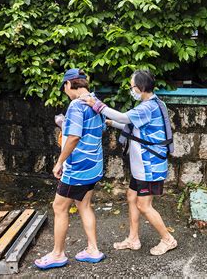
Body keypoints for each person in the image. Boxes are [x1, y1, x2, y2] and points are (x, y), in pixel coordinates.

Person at [82, 69, 177, 256]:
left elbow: (125, 118)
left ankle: (168, 239)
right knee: (131, 197)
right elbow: (131, 125)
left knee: (144, 205)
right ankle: (133, 239)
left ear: (141, 87)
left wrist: (97, 105)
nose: (130, 89)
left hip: (149, 166)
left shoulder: (148, 107)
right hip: (141, 166)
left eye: (132, 86)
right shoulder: (152, 104)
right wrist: (110, 123)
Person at [35, 69, 106, 270]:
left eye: (64, 88)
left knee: (59, 207)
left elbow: (74, 137)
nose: (65, 92)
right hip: (94, 166)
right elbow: (100, 129)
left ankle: (57, 254)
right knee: (84, 205)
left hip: (78, 169)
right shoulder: (95, 101)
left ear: (68, 85)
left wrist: (59, 162)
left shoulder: (76, 105)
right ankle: (93, 249)